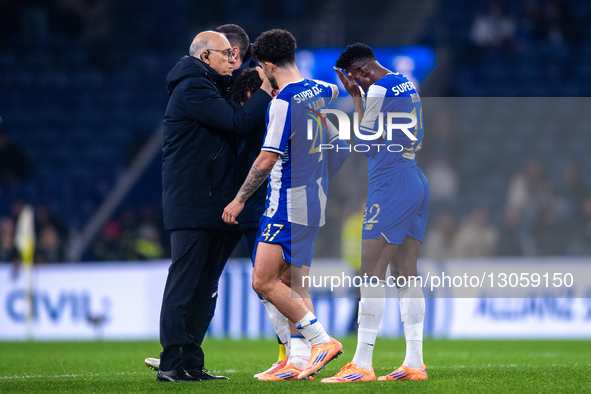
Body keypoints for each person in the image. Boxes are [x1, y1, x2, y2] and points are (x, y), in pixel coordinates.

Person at [222, 29, 347, 381]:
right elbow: (340, 145)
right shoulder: (324, 91)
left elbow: (266, 159)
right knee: (292, 283)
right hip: (314, 199)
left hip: (286, 202)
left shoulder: (282, 103)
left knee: (263, 281)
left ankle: (321, 341)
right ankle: (298, 360)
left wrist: (239, 198)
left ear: (266, 65)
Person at [157, 30, 273, 383]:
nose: (232, 59)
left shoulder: (208, 85)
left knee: (203, 286)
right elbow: (237, 123)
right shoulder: (193, 88)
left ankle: (191, 362)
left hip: (212, 204)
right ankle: (171, 363)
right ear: (205, 56)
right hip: (194, 204)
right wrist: (267, 90)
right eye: (226, 54)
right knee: (185, 285)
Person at [322, 43, 430, 383]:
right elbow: (419, 135)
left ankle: (362, 364)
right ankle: (414, 363)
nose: (357, 87)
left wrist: (356, 100)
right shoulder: (405, 83)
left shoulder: (379, 89)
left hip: (391, 182)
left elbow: (365, 146)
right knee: (406, 272)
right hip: (414, 175)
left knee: (370, 269)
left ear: (362, 72)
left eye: (355, 81)